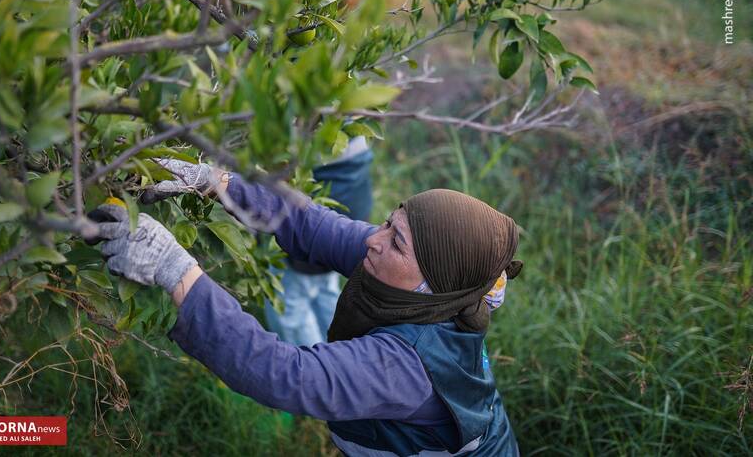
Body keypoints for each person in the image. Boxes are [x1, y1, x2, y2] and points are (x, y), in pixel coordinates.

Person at [88, 158, 524, 456]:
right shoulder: (428, 279)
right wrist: (216, 181)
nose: (374, 238)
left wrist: (175, 270)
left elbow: (285, 375)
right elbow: (312, 224)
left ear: (434, 283)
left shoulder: (406, 369)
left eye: (396, 241)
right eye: (390, 222)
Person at [264, 136, 374, 346]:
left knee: (290, 308)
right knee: (325, 285)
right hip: (353, 203)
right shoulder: (347, 111)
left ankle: (317, 370)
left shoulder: (304, 113)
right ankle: (341, 355)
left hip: (319, 213)